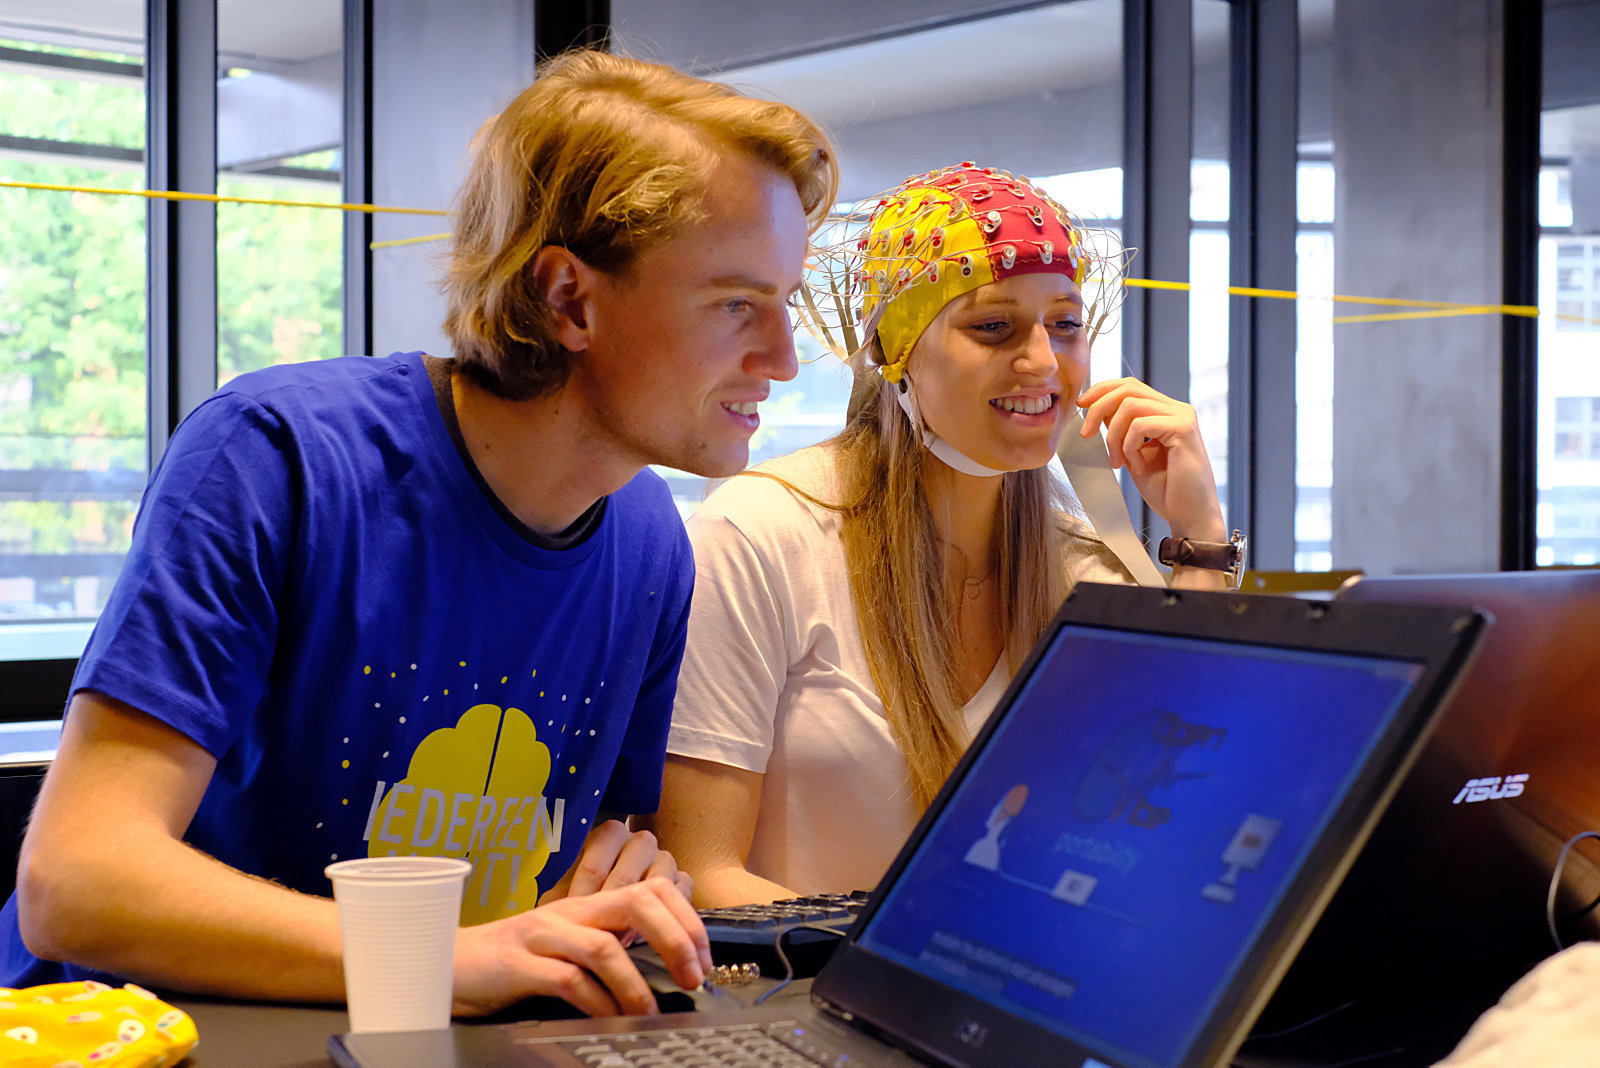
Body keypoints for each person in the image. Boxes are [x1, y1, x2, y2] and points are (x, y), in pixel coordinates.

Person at [1, 50, 838, 1018]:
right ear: (569, 299)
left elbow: (577, 874)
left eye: (784, 304)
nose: (783, 359)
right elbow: (77, 880)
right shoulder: (277, 457)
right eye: (736, 304)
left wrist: (624, 885)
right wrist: (442, 958)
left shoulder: (651, 543)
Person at [643, 163, 1232, 905]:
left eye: (1065, 324)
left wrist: (1200, 539)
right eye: (992, 327)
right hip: (805, 977)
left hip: (1005, 970)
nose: (1043, 362)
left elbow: (1178, 817)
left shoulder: (1080, 566)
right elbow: (699, 872)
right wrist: (907, 956)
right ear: (896, 348)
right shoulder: (759, 538)